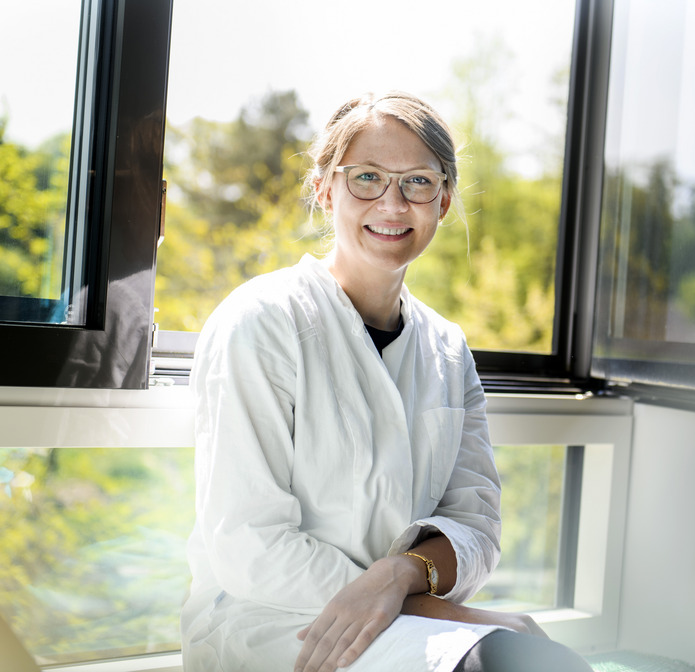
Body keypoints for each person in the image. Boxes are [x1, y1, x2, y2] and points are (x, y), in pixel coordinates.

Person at [180, 91, 593, 672]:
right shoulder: (262, 321)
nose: (393, 204)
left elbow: (476, 526)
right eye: (367, 177)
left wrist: (403, 573)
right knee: (517, 663)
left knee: (548, 664)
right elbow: (248, 544)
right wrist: (439, 613)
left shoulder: (448, 348)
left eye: (418, 183)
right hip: (278, 622)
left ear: (444, 202)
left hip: (408, 619)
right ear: (325, 189)